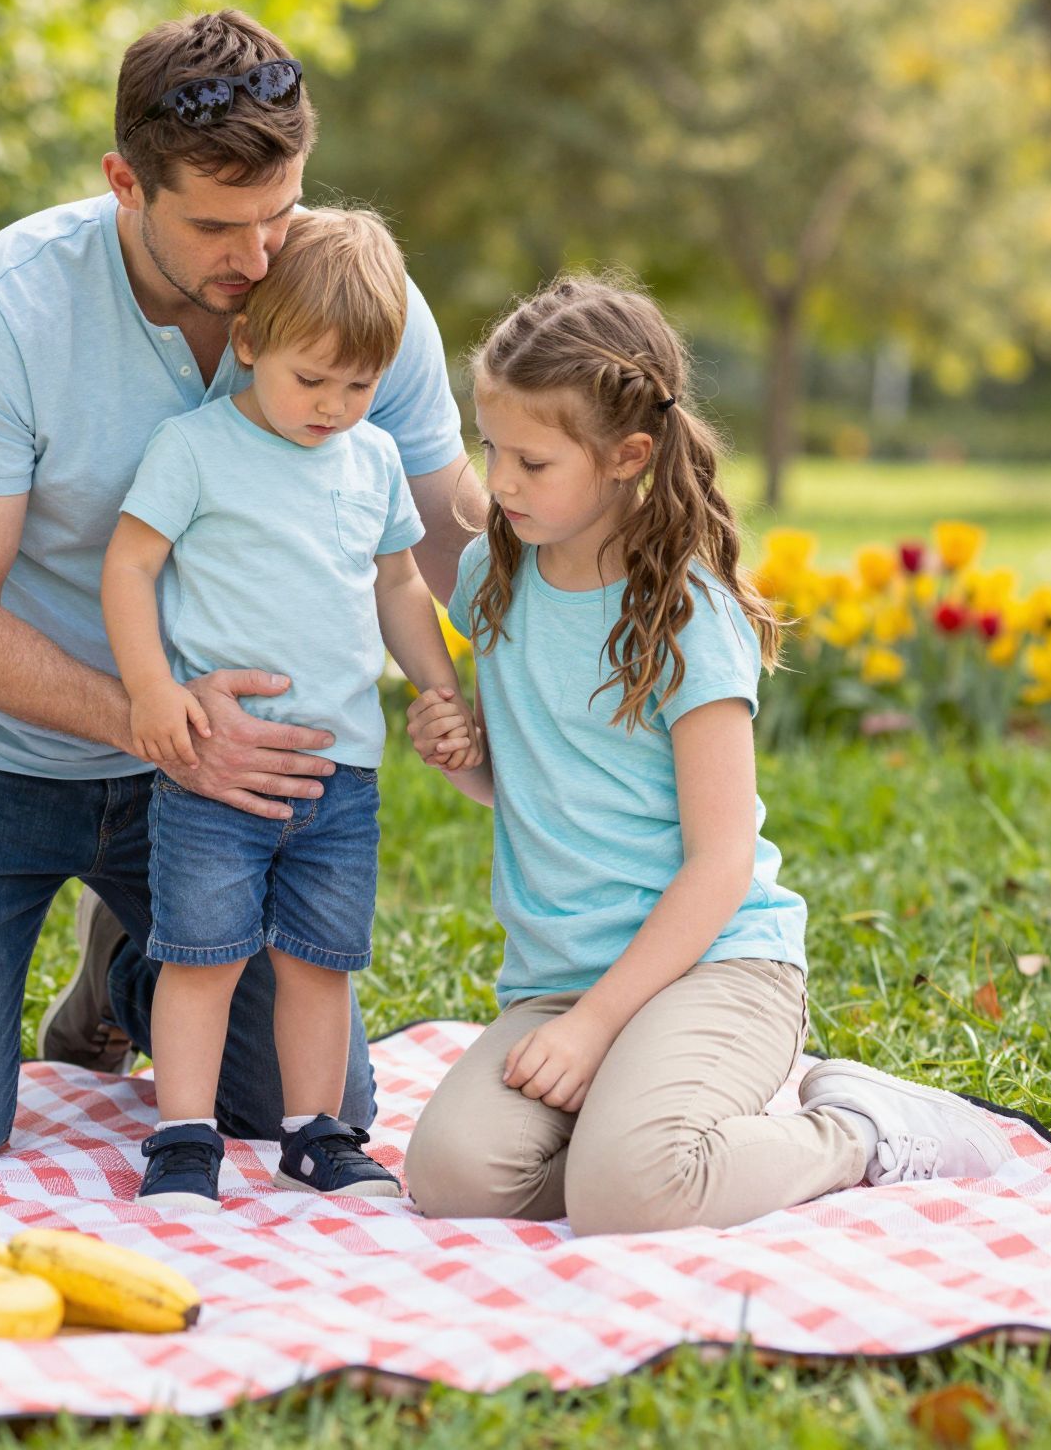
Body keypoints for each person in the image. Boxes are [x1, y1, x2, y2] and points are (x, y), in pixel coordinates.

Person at [0, 10, 487, 1161]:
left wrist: (574, 639)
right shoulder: (1, 308)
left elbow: (447, 535)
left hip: (210, 781)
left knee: (302, 1109)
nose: (255, 261)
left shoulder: (344, 300)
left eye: (278, 213)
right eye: (214, 225)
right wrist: (158, 725)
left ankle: (131, 971)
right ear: (123, 184)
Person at [402, 274, 1014, 1234]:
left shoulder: (685, 614)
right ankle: (641, 1133)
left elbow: (723, 862)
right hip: (559, 979)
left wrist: (598, 1026)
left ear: (627, 456)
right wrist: (461, 754)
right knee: (452, 1179)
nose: (501, 483)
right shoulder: (495, 574)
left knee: (628, 1198)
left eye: (531, 459)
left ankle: (859, 1131)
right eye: (491, 450)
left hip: (719, 970)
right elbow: (520, 780)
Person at [103, 208, 482, 1210]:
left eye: (358, 385)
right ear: (249, 342)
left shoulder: (372, 462)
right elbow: (130, 565)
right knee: (203, 957)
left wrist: (439, 689)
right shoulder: (195, 449)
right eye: (310, 379)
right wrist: (151, 688)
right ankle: (183, 1136)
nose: (330, 405)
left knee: (319, 961)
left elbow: (397, 586)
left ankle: (317, 1133)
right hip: (216, 772)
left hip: (337, 774)